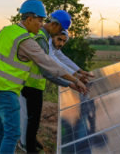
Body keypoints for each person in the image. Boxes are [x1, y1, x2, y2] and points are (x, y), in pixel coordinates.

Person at [0, 0, 87, 154]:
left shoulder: (6, 30)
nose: (42, 24)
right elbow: (48, 64)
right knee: (12, 134)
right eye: (40, 20)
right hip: (3, 89)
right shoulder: (26, 40)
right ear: (29, 19)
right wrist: (74, 80)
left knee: (0, 128)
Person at [18, 10, 92, 153]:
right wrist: (74, 79)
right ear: (54, 25)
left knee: (31, 119)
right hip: (30, 84)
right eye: (60, 31)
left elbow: (59, 58)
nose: (60, 36)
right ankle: (28, 146)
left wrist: (77, 72)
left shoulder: (45, 38)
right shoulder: (42, 39)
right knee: (30, 119)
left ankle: (29, 141)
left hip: (34, 83)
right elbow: (50, 66)